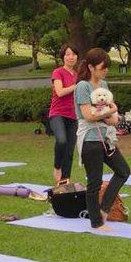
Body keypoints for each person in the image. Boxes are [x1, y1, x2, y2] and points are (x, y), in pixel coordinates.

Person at [75, 47, 130, 232]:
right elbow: (88, 116)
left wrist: (110, 114)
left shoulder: (104, 85)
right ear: (91, 67)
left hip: (105, 137)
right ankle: (96, 222)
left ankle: (104, 210)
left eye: (107, 67)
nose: (105, 70)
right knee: (94, 181)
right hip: (90, 139)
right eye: (102, 67)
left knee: (123, 171)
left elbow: (112, 119)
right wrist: (111, 111)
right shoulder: (83, 86)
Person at [48, 44, 79, 184]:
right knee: (61, 140)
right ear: (63, 57)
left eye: (73, 54)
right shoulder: (58, 72)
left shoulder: (78, 75)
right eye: (67, 54)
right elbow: (60, 92)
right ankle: (57, 166)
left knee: (70, 151)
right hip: (57, 113)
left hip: (73, 116)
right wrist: (76, 86)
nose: (70, 57)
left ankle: (64, 182)